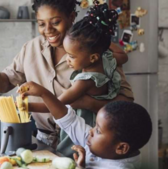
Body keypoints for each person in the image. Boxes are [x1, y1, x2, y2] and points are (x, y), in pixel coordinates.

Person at [0, 0, 134, 147]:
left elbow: (125, 105)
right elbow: (4, 85)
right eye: (41, 24)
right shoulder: (31, 48)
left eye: (55, 22)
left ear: (71, 17)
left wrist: (86, 103)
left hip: (86, 141)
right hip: (43, 140)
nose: (48, 30)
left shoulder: (94, 51)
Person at [21, 1, 126, 157]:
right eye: (41, 23)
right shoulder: (105, 60)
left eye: (71, 56)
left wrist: (25, 107)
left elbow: (58, 105)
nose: (67, 59)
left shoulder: (84, 81)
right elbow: (123, 56)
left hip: (81, 140)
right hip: (93, 140)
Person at [17, 81, 152, 168]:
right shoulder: (99, 145)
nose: (91, 132)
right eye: (95, 126)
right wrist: (43, 93)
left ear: (121, 148)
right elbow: (67, 119)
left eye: (98, 131)